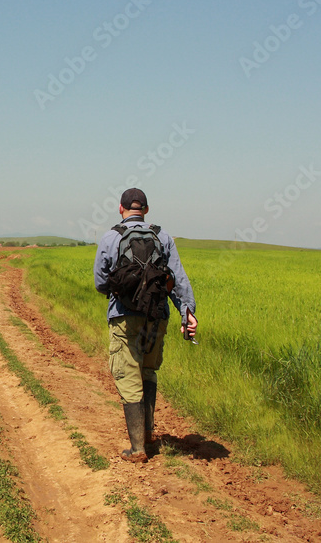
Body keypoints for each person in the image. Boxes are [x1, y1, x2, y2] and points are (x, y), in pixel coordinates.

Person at [93, 188, 197, 463]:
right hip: (157, 315)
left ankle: (138, 448)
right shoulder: (163, 237)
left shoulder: (110, 237)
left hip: (123, 316)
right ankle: (149, 432)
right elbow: (177, 280)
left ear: (121, 209)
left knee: (128, 377)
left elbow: (100, 283)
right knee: (148, 371)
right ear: (146, 210)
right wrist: (188, 313)